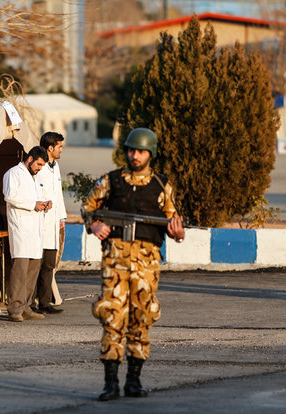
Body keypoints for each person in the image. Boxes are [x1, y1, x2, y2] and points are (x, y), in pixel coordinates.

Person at [82, 128, 185, 401]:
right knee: (112, 316)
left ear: (150, 153)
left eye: (140, 151)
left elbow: (175, 223)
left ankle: (134, 381)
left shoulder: (162, 186)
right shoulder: (111, 181)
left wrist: (177, 231)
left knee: (142, 316)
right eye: (130, 150)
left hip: (146, 265)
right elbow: (88, 207)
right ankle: (110, 383)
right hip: (115, 262)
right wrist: (94, 225)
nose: (134, 155)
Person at [3, 146, 49, 322]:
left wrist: (44, 204)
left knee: (32, 270)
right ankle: (15, 308)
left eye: (42, 166)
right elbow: (10, 196)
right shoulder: (13, 173)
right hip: (21, 228)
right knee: (20, 271)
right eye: (38, 164)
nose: (39, 168)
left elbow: (37, 198)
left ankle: (27, 306)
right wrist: (33, 204)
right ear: (30, 159)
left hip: (35, 230)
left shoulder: (35, 177)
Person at [35, 132, 67, 314]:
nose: (61, 150)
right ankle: (32, 301)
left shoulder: (56, 167)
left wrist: (62, 217)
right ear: (50, 148)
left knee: (49, 265)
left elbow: (58, 194)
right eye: (59, 147)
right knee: (37, 265)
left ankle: (45, 302)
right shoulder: (39, 168)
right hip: (42, 220)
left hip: (54, 222)